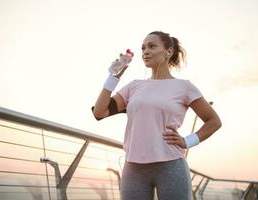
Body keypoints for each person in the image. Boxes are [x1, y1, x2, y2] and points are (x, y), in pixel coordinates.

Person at [92, 31, 222, 200]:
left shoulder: (184, 87)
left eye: (152, 46)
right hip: (133, 168)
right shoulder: (134, 86)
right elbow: (99, 111)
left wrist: (187, 141)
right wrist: (114, 76)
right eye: (143, 48)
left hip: (170, 165)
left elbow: (214, 121)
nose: (146, 51)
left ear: (168, 52)